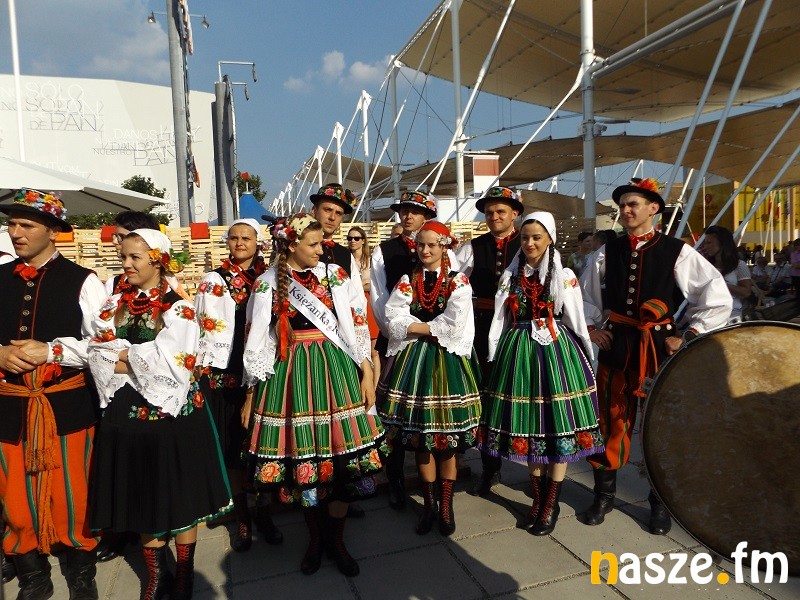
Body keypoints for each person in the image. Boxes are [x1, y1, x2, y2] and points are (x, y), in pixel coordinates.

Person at [581, 178, 731, 535]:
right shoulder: (607, 252)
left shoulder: (677, 251)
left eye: (633, 204)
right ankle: (604, 495)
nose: (626, 210)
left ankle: (659, 503)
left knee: (659, 426)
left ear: (653, 209)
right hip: (617, 347)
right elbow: (584, 296)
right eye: (622, 205)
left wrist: (688, 334)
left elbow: (716, 296)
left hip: (658, 349)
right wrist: (592, 327)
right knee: (610, 420)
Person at [88, 229, 232, 600]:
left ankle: (183, 574)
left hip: (175, 413)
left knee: (180, 493)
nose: (125, 264)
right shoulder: (114, 302)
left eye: (134, 257)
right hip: (128, 413)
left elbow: (172, 365)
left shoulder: (178, 306)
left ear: (157, 260)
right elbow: (96, 350)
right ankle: (156, 575)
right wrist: (133, 358)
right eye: (123, 257)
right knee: (143, 491)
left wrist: (122, 356)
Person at [241, 214, 385, 578]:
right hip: (291, 375)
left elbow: (357, 324)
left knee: (341, 462)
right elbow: (256, 339)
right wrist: (251, 392)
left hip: (337, 369)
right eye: (314, 244)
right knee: (306, 461)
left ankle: (337, 540)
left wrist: (367, 371)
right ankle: (316, 538)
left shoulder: (334, 275)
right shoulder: (266, 284)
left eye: (321, 243)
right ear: (291, 245)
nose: (321, 250)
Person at [0, 189, 107, 600]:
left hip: (64, 403)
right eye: (11, 224)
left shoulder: (83, 281)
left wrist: (52, 350)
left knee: (72, 491)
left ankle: (81, 572)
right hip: (9, 404)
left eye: (26, 225)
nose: (16, 232)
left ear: (53, 231)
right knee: (12, 493)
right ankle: (33, 575)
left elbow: (105, 346)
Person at [478, 211, 603, 536]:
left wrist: (586, 355)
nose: (530, 243)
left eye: (537, 237)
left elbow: (575, 318)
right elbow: (500, 321)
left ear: (550, 239)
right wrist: (495, 353)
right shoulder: (511, 276)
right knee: (530, 428)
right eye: (525, 237)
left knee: (558, 426)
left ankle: (550, 503)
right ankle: (538, 498)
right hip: (519, 353)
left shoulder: (564, 275)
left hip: (556, 355)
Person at [379, 220, 481, 537]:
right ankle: (429, 506)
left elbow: (454, 324)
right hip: (414, 364)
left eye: (432, 245)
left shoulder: (458, 281)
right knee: (422, 440)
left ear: (444, 246)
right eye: (420, 244)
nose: (425, 250)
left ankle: (446, 507)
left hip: (447, 364)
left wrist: (415, 327)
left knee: (447, 442)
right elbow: (393, 318)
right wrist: (428, 329)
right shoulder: (408, 281)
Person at [193, 219, 283, 553]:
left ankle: (264, 510)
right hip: (227, 371)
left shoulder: (271, 277)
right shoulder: (213, 280)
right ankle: (242, 513)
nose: (240, 242)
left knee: (262, 442)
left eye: (246, 237)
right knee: (234, 445)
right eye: (234, 237)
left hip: (264, 368)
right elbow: (201, 327)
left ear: (258, 242)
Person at [371, 190, 456, 510]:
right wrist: (398, 333)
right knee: (396, 412)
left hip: (437, 344)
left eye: (415, 211)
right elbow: (379, 298)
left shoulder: (443, 247)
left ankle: (438, 488)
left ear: (427, 216)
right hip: (399, 340)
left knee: (436, 413)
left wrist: (435, 331)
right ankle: (395, 479)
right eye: (404, 211)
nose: (408, 216)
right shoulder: (384, 250)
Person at [455, 186, 522, 497]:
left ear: (514, 214)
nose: (494, 216)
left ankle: (533, 466)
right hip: (481, 329)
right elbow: (453, 279)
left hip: (515, 327)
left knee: (518, 394)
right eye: (490, 212)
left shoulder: (528, 242)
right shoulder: (473, 246)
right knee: (484, 397)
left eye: (501, 211)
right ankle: (490, 467)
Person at [697, 226, 752, 322]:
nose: (705, 247)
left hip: (731, 315)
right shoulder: (707, 266)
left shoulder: (739, 265)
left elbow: (746, 292)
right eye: (704, 243)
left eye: (709, 243)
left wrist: (720, 284)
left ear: (722, 243)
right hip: (708, 315)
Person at [348, 226, 381, 385]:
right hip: (353, 304)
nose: (352, 241)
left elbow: (375, 284)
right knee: (358, 349)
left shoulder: (370, 260)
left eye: (356, 238)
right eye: (349, 238)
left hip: (369, 303)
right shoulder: (346, 259)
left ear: (363, 241)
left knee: (373, 350)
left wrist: (359, 286)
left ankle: (375, 387)